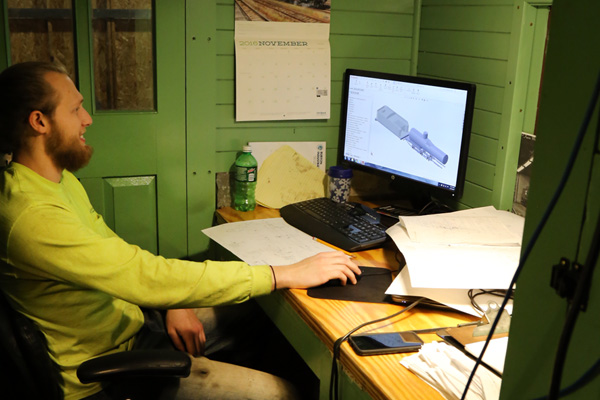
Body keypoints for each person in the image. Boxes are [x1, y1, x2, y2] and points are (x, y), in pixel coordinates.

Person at [0, 61, 360, 400]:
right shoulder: (33, 216)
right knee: (285, 394)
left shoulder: (54, 180)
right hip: (106, 371)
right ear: (39, 121)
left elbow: (120, 261)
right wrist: (284, 273)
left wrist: (174, 301)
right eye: (76, 109)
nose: (87, 119)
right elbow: (139, 274)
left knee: (261, 312)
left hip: (129, 320)